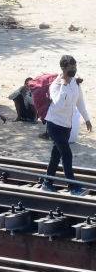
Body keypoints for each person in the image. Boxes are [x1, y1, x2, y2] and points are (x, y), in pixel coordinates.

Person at [43, 55, 92, 195]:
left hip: (66, 126)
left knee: (55, 156)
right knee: (67, 155)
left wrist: (87, 119)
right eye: (71, 67)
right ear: (63, 68)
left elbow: (80, 101)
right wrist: (64, 84)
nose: (74, 69)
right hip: (54, 125)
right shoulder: (55, 85)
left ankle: (47, 183)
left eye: (75, 66)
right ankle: (73, 187)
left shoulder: (75, 83)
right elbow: (58, 104)